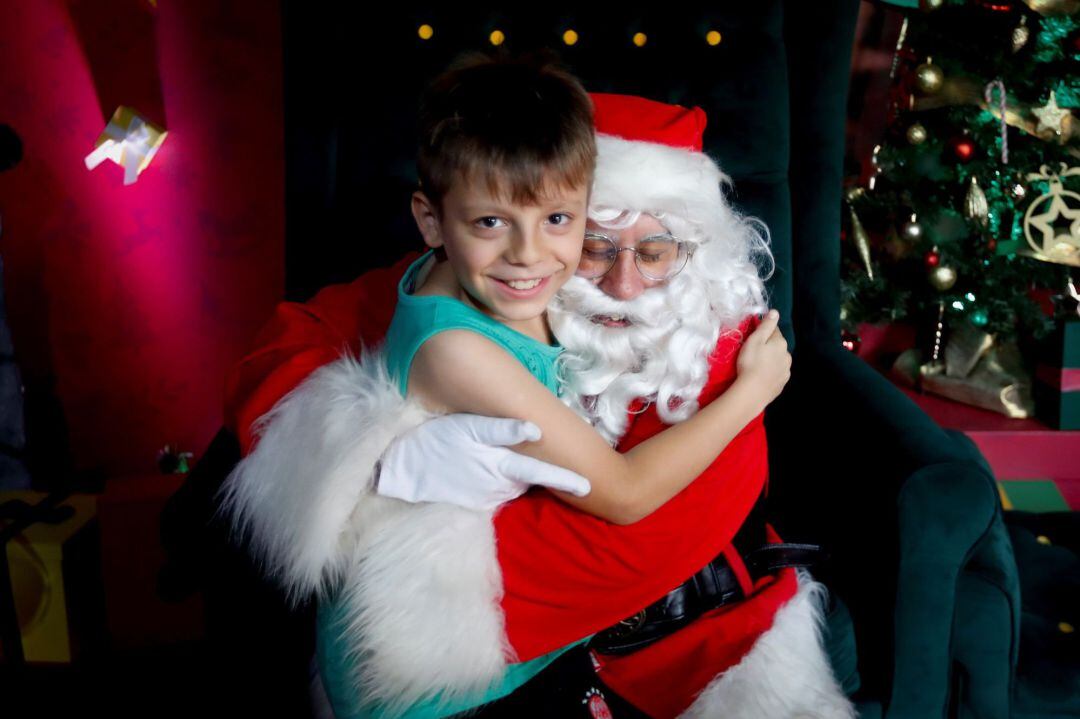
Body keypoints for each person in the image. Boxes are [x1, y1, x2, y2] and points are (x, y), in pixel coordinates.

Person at [218, 55, 856, 719]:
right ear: (433, 223)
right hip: (423, 666)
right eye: (598, 245)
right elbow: (625, 493)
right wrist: (752, 393)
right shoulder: (462, 343)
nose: (529, 256)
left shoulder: (478, 276)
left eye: (557, 222)